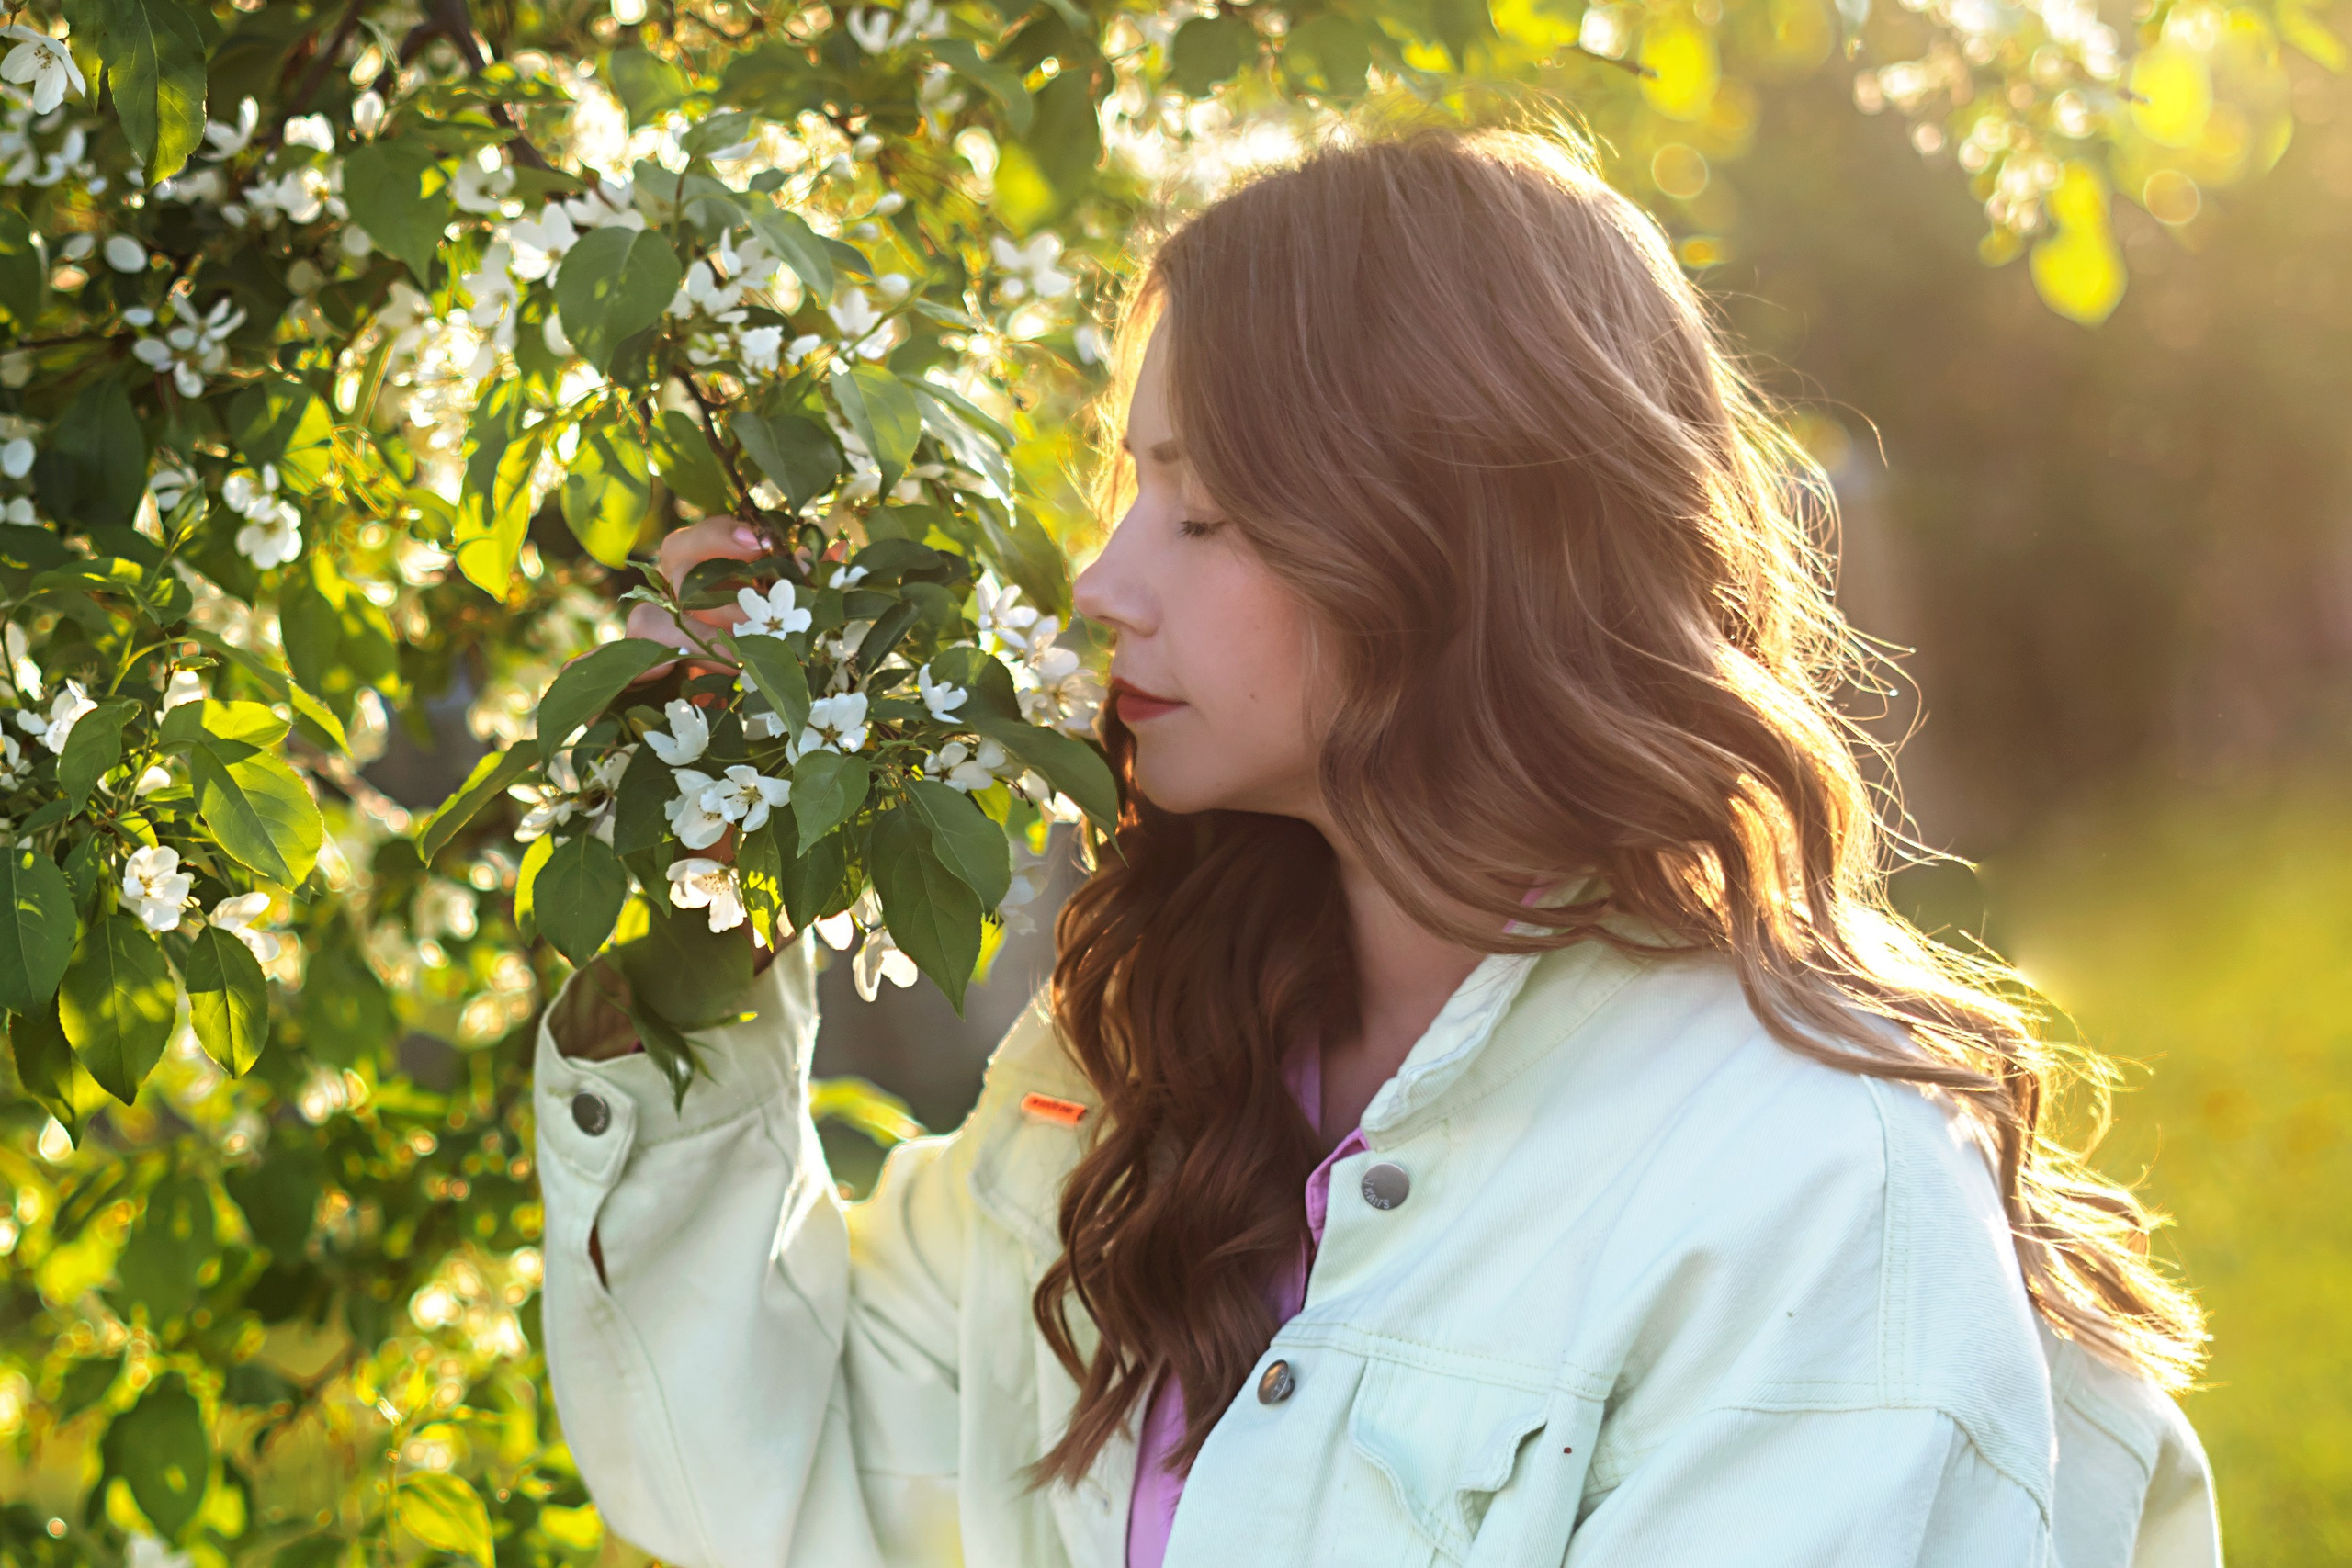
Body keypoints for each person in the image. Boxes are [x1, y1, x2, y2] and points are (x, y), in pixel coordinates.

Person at [530, 120, 2221, 1568]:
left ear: (1452, 533)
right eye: (1130, 495)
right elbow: (771, 1476)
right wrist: (704, 897)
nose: (1106, 582)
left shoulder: (1806, 1188)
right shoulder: (1135, 1082)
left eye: (1202, 511)